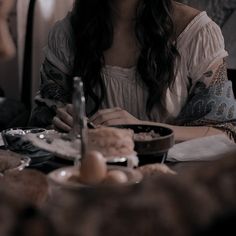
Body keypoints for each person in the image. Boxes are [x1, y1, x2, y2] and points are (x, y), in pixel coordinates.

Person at [30, 0, 236, 143]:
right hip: (90, 178)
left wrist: (143, 130)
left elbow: (225, 133)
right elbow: (39, 125)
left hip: (169, 181)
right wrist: (61, 122)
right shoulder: (67, 33)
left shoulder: (197, 34)